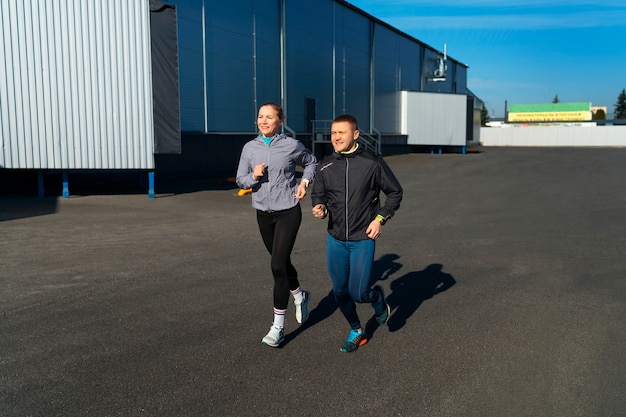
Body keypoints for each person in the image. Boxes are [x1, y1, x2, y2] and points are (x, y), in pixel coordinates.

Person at [311, 114, 402, 353]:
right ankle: (356, 330)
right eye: (333, 133)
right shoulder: (326, 164)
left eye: (342, 132)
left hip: (363, 238)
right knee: (340, 291)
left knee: (359, 293)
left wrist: (380, 219)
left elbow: (395, 192)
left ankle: (378, 300)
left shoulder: (372, 162)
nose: (336, 137)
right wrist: (319, 207)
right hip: (336, 238)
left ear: (356, 134)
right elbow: (318, 194)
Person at [236, 102, 318, 348]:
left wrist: (304, 182)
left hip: (288, 211)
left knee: (276, 265)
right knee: (281, 263)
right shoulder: (249, 148)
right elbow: (241, 180)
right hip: (263, 214)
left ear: (279, 121)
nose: (263, 121)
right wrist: (254, 177)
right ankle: (299, 295)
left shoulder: (291, 145)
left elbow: (312, 162)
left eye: (269, 117)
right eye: (260, 116)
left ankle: (277, 327)